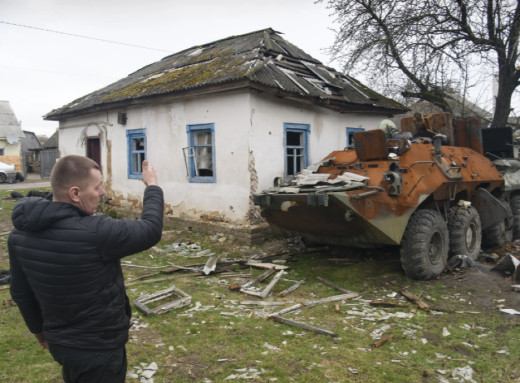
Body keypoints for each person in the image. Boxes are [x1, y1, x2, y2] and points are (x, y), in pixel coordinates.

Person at [8, 155, 164, 383]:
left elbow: (20, 292)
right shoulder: (97, 232)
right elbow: (150, 229)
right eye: (98, 186)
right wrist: (153, 186)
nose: (102, 193)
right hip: (98, 348)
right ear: (75, 194)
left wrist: (38, 331)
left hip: (62, 345)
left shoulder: (18, 235)